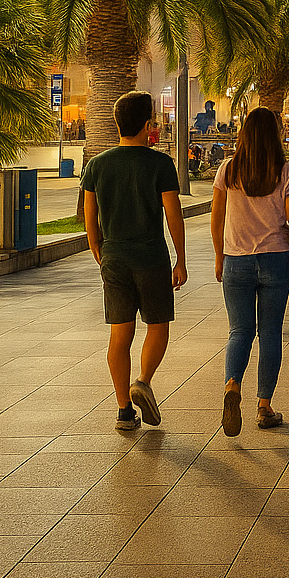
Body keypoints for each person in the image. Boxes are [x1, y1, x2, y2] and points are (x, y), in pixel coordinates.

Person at [81, 91, 187, 431]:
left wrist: (98, 249)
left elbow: (90, 215)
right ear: (146, 124)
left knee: (119, 334)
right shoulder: (159, 164)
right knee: (157, 324)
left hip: (113, 256)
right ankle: (142, 380)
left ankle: (124, 411)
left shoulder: (97, 165)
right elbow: (173, 214)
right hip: (151, 256)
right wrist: (180, 259)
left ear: (116, 123)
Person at [211, 106, 289, 436]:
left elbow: (216, 218)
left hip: (236, 259)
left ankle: (232, 385)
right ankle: (264, 406)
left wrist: (219, 257)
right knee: (270, 334)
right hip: (276, 260)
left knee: (239, 331)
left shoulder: (228, 170)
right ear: (274, 134)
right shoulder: (284, 172)